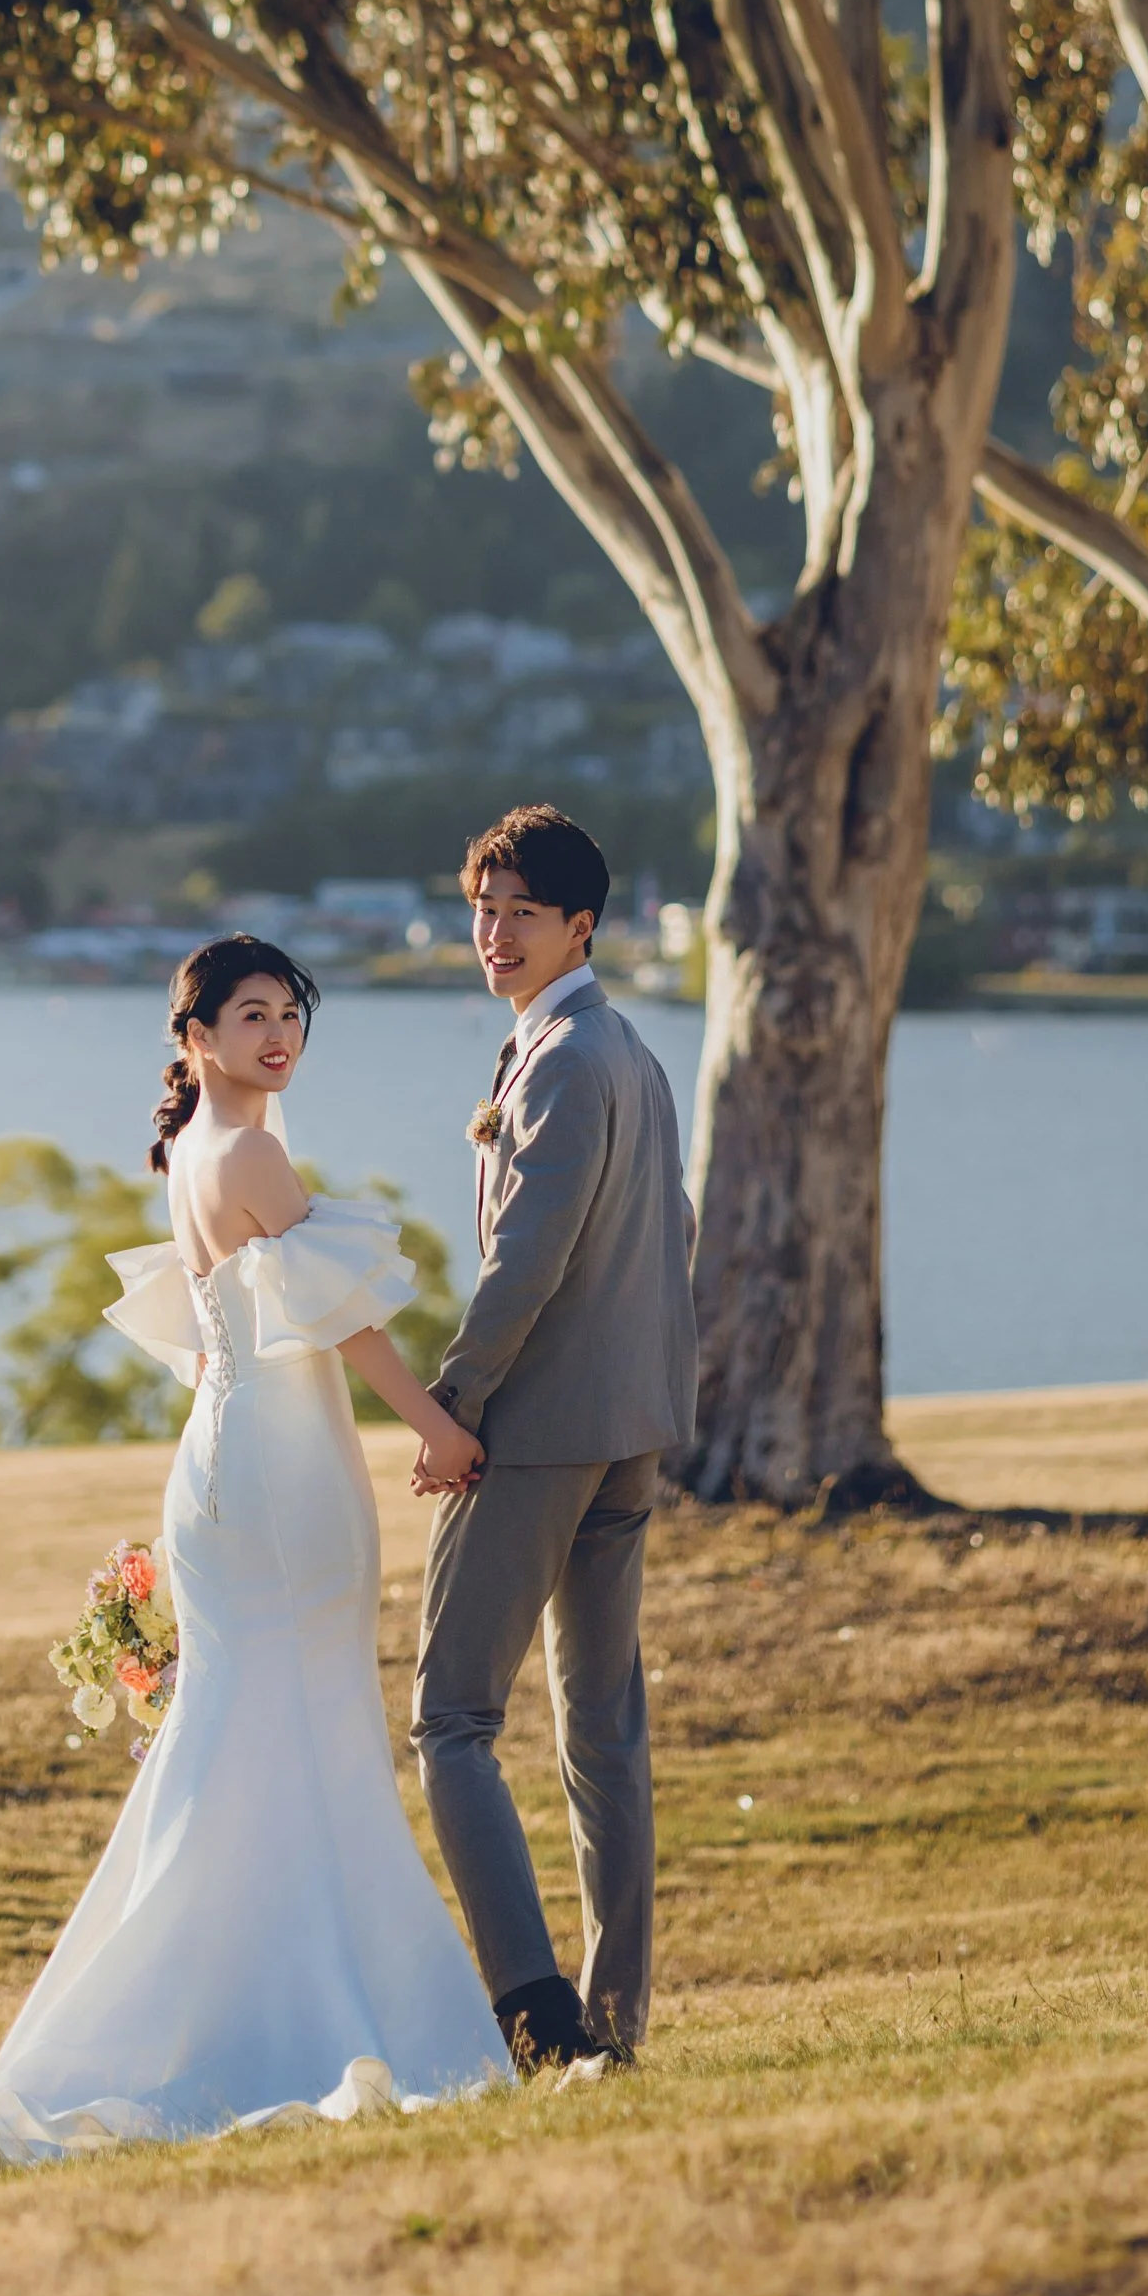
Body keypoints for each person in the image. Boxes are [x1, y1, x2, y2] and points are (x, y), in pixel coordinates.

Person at [0, 933, 509, 2202]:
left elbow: (222, 1342)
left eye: (288, 1014)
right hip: (279, 1479)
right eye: (249, 1016)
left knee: (244, 1735)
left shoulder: (199, 1156)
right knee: (297, 1722)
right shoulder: (244, 1151)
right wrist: (440, 1428)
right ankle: (314, 2006)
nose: (276, 1035)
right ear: (194, 1039)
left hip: (230, 1462)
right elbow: (346, 1320)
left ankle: (228, 1995)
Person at [411, 804, 698, 2075]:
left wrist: (452, 1404)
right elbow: (671, 1232)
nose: (494, 933)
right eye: (483, 908)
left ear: (581, 925)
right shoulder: (624, 1051)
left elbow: (525, 1261)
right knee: (599, 1730)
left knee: (452, 1720)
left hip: (538, 1437)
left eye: (520, 912)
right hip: (628, 1428)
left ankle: (539, 2024)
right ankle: (616, 2027)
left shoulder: (574, 1057)